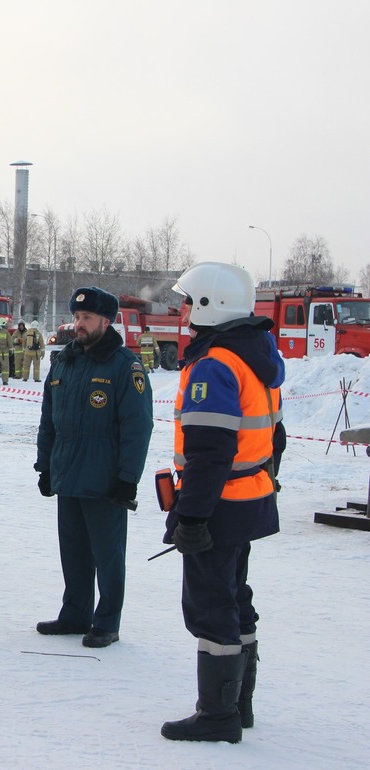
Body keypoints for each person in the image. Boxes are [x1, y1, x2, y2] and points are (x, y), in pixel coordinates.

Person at [160, 262, 284, 744]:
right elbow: (277, 436)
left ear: (211, 304)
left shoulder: (215, 364)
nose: (184, 309)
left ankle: (217, 715)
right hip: (250, 496)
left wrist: (190, 515)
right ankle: (239, 704)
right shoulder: (256, 354)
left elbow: (209, 451)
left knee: (211, 605)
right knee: (235, 597)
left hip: (220, 501)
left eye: (189, 300)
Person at [34, 286, 153, 648]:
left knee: (108, 556)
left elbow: (138, 426)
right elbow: (48, 420)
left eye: (86, 318)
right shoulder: (65, 361)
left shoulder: (124, 366)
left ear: (106, 321)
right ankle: (75, 615)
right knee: (73, 552)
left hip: (104, 480)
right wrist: (45, 466)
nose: (79, 324)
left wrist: (127, 479)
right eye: (77, 317)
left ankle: (106, 622)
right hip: (67, 475)